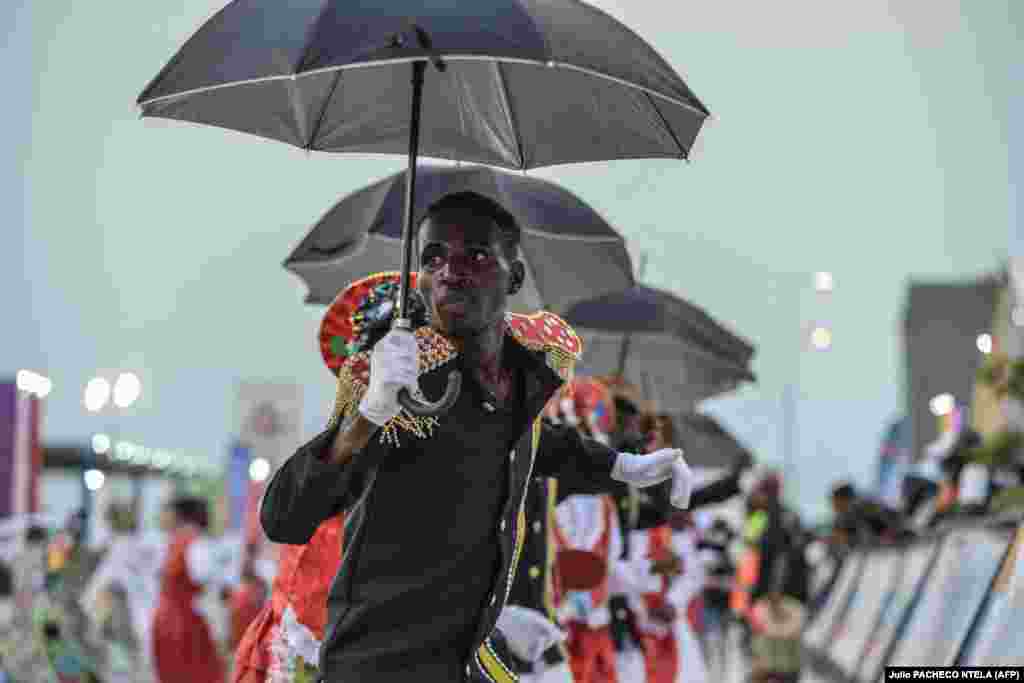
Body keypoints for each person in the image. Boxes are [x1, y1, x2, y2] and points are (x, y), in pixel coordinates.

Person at [260, 191, 692, 683]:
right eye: (434, 256)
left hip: (462, 664)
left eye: (476, 256)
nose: (450, 269)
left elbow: (536, 443)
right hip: (375, 668)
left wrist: (623, 466)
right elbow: (283, 516)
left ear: (515, 278)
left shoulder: (516, 386)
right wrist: (369, 413)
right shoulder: (405, 389)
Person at [152, 496, 226, 683]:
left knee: (184, 672)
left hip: (179, 622)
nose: (162, 517)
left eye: (165, 512)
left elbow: (201, 579)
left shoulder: (190, 542)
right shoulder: (183, 541)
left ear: (178, 515)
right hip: (177, 621)